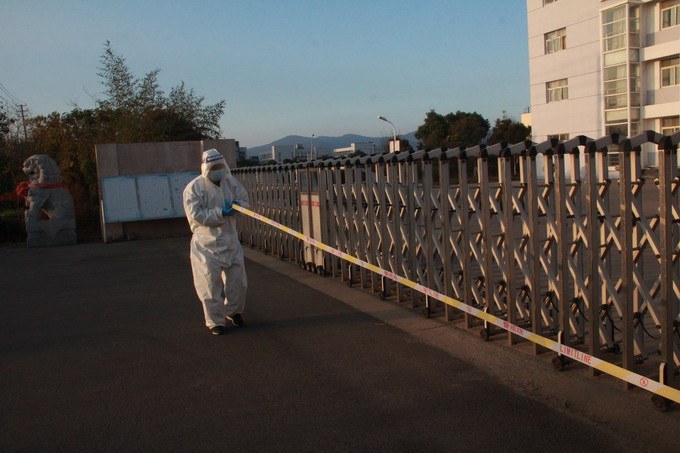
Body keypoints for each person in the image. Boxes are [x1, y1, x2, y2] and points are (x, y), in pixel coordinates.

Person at [183, 149, 250, 335]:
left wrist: (239, 207)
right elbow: (196, 215)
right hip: (206, 246)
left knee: (238, 283)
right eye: (214, 167)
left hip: (231, 242)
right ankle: (215, 321)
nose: (218, 170)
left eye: (220, 166)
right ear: (206, 168)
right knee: (209, 285)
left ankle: (234, 312)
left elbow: (245, 200)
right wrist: (220, 213)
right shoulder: (194, 188)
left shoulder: (230, 182)